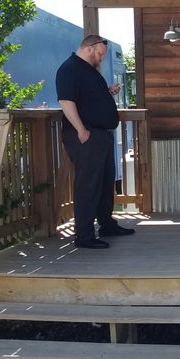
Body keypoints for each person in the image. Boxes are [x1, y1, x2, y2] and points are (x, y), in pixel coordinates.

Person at [56, 34, 135, 248]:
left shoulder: (89, 71)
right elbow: (66, 101)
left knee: (105, 182)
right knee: (88, 185)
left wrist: (107, 92)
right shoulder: (70, 69)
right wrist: (81, 130)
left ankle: (107, 224)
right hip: (86, 135)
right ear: (90, 48)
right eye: (100, 54)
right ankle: (84, 236)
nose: (101, 58)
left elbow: (88, 100)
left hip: (101, 135)